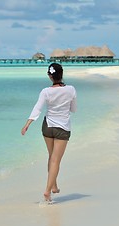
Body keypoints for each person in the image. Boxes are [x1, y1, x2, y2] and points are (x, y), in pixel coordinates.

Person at [21, 63, 77, 202]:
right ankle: (47, 191)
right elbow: (73, 109)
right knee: (55, 160)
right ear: (62, 74)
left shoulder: (45, 91)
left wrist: (28, 123)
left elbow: (37, 108)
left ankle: (54, 185)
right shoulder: (71, 90)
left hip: (47, 127)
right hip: (62, 128)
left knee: (51, 157)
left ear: (49, 76)